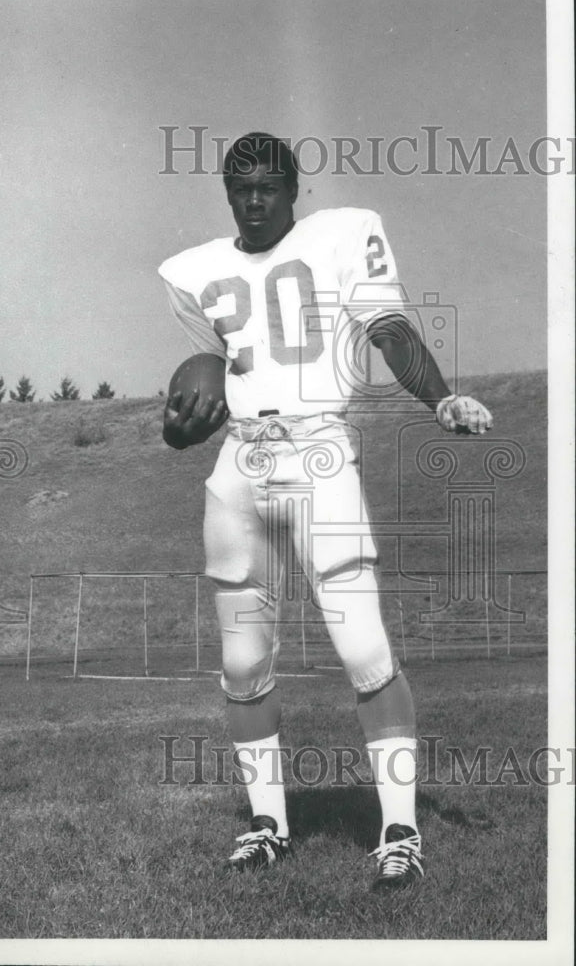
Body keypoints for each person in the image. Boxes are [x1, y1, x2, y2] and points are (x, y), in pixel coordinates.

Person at [158, 132, 492, 889]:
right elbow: (210, 376)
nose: (252, 200)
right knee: (243, 661)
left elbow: (389, 330)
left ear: (294, 187)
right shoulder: (194, 272)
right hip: (241, 464)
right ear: (225, 191)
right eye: (239, 187)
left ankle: (400, 829)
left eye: (267, 186)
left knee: (363, 647)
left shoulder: (344, 234)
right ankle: (268, 824)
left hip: (319, 456)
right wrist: (179, 429)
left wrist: (439, 398)